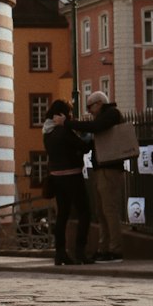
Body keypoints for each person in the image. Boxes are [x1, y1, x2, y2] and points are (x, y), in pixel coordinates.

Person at [74, 90, 126, 263]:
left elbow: (96, 127)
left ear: (99, 103)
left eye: (90, 107)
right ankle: (104, 248)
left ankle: (115, 250)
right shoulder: (103, 117)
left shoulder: (112, 113)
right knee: (102, 212)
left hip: (110, 169)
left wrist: (71, 123)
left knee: (109, 210)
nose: (89, 112)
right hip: (101, 168)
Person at [43, 99, 91, 266]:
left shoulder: (47, 132)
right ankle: (80, 251)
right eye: (68, 113)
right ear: (62, 114)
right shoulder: (63, 131)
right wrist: (86, 136)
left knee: (62, 215)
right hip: (72, 176)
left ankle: (60, 253)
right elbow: (84, 147)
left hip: (56, 177)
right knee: (85, 212)